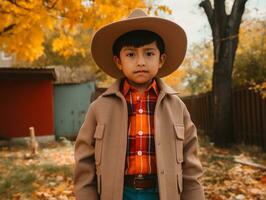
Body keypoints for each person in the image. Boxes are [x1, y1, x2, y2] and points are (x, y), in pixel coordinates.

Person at [74, 8, 205, 200]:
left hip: (163, 194)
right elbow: (84, 163)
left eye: (149, 53)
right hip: (118, 194)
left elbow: (191, 167)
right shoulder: (99, 108)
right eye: (131, 55)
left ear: (161, 60)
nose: (141, 62)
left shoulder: (177, 107)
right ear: (118, 61)